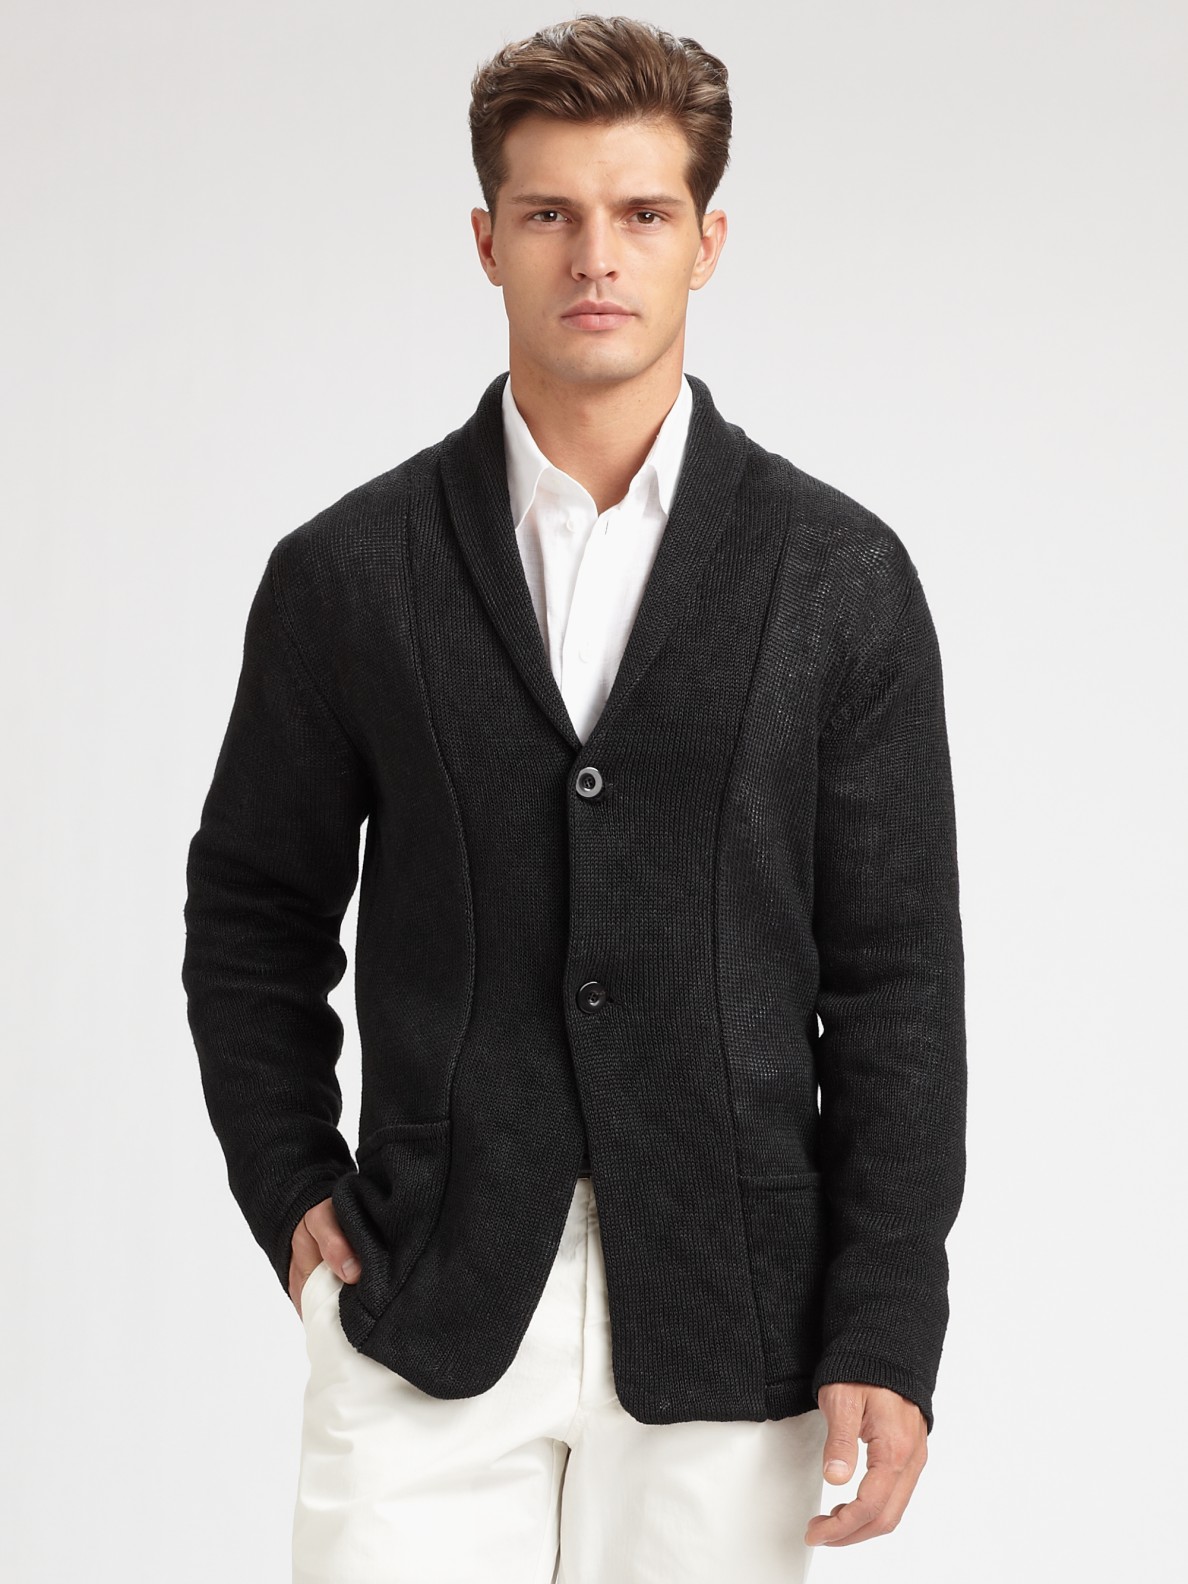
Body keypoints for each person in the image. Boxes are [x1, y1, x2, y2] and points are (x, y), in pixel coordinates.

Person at [182, 13, 967, 1583]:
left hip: (735, 1302)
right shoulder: (351, 574)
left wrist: (887, 1315)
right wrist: (289, 1180)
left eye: (643, 213)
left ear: (707, 242)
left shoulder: (839, 578)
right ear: (487, 241)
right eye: (549, 213)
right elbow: (254, 914)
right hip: (430, 1291)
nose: (596, 256)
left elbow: (894, 980)